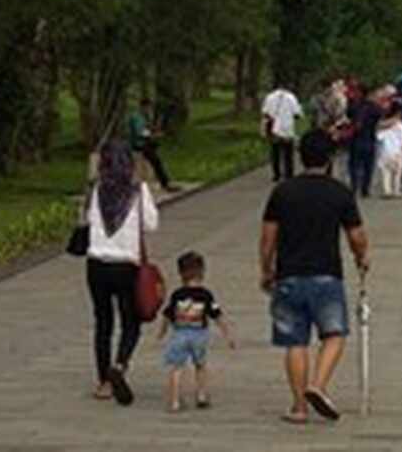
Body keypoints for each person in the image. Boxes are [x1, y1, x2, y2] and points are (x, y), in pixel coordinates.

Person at [260, 130, 370, 424]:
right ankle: (318, 385)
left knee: (295, 342)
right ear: (330, 158)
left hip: (288, 276)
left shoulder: (283, 192)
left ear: (301, 156)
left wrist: (266, 270)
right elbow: (356, 236)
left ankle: (299, 407)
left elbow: (268, 237)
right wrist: (361, 258)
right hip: (326, 276)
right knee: (334, 335)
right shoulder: (339, 192)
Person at [85, 140, 160, 405]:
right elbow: (151, 224)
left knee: (103, 322)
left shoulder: (96, 189)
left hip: (96, 264)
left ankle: (103, 382)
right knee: (131, 321)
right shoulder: (137, 190)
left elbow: (87, 220)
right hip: (126, 265)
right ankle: (119, 365)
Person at [157, 252, 236, 413]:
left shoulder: (177, 294)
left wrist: (162, 331)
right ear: (202, 272)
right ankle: (201, 395)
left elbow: (167, 314)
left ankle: (174, 401)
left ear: (180, 273)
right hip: (199, 334)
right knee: (200, 365)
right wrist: (227, 334)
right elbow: (217, 315)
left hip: (179, 334)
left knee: (176, 368)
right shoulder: (206, 294)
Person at [128, 99, 178, 192]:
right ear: (142, 107)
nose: (149, 110)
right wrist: (152, 135)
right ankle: (165, 184)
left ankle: (163, 182)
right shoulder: (137, 117)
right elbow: (140, 132)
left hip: (144, 143)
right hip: (139, 144)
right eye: (147, 108)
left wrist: (156, 131)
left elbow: (147, 128)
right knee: (156, 161)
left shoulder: (143, 117)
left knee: (155, 153)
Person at [262, 84, 304, 183]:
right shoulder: (291, 97)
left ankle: (276, 174)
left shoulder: (269, 97)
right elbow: (297, 114)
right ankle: (289, 174)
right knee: (288, 154)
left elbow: (265, 113)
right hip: (287, 129)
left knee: (275, 153)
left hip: (274, 130)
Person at [345, 90, 382, 199]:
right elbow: (379, 118)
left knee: (354, 165)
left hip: (355, 139)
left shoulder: (353, 106)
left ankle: (354, 186)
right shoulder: (374, 107)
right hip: (369, 138)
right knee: (368, 166)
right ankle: (365, 188)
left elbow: (348, 116)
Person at [376, 105, 402, 198]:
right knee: (398, 173)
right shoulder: (401, 126)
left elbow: (378, 138)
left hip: (385, 152)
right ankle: (396, 191)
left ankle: (387, 191)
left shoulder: (385, 128)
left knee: (386, 172)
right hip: (398, 151)